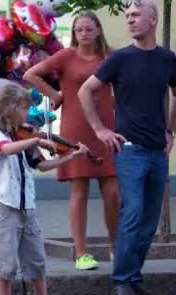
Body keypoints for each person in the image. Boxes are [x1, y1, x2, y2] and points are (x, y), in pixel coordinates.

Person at [78, 0, 176, 295]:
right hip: (130, 151)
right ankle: (121, 281)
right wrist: (100, 130)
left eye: (136, 15)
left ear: (153, 20)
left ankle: (133, 278)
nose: (130, 20)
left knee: (149, 220)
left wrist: (170, 131)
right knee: (133, 213)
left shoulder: (167, 59)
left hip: (157, 152)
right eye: (127, 16)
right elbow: (86, 90)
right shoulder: (120, 59)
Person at [0, 78, 86, 295]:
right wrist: (36, 141)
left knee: (37, 260)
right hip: (5, 206)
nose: (28, 113)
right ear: (9, 109)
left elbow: (43, 165)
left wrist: (71, 156)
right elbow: (6, 149)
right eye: (24, 107)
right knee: (6, 262)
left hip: (28, 207)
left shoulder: (23, 135)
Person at [24, 11, 118, 271]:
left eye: (89, 29)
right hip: (76, 128)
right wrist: (55, 94)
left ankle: (116, 248)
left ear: (98, 30)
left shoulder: (111, 55)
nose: (84, 34)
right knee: (79, 191)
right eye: (79, 30)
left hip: (107, 128)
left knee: (113, 192)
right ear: (74, 33)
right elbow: (30, 75)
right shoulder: (66, 56)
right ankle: (81, 253)